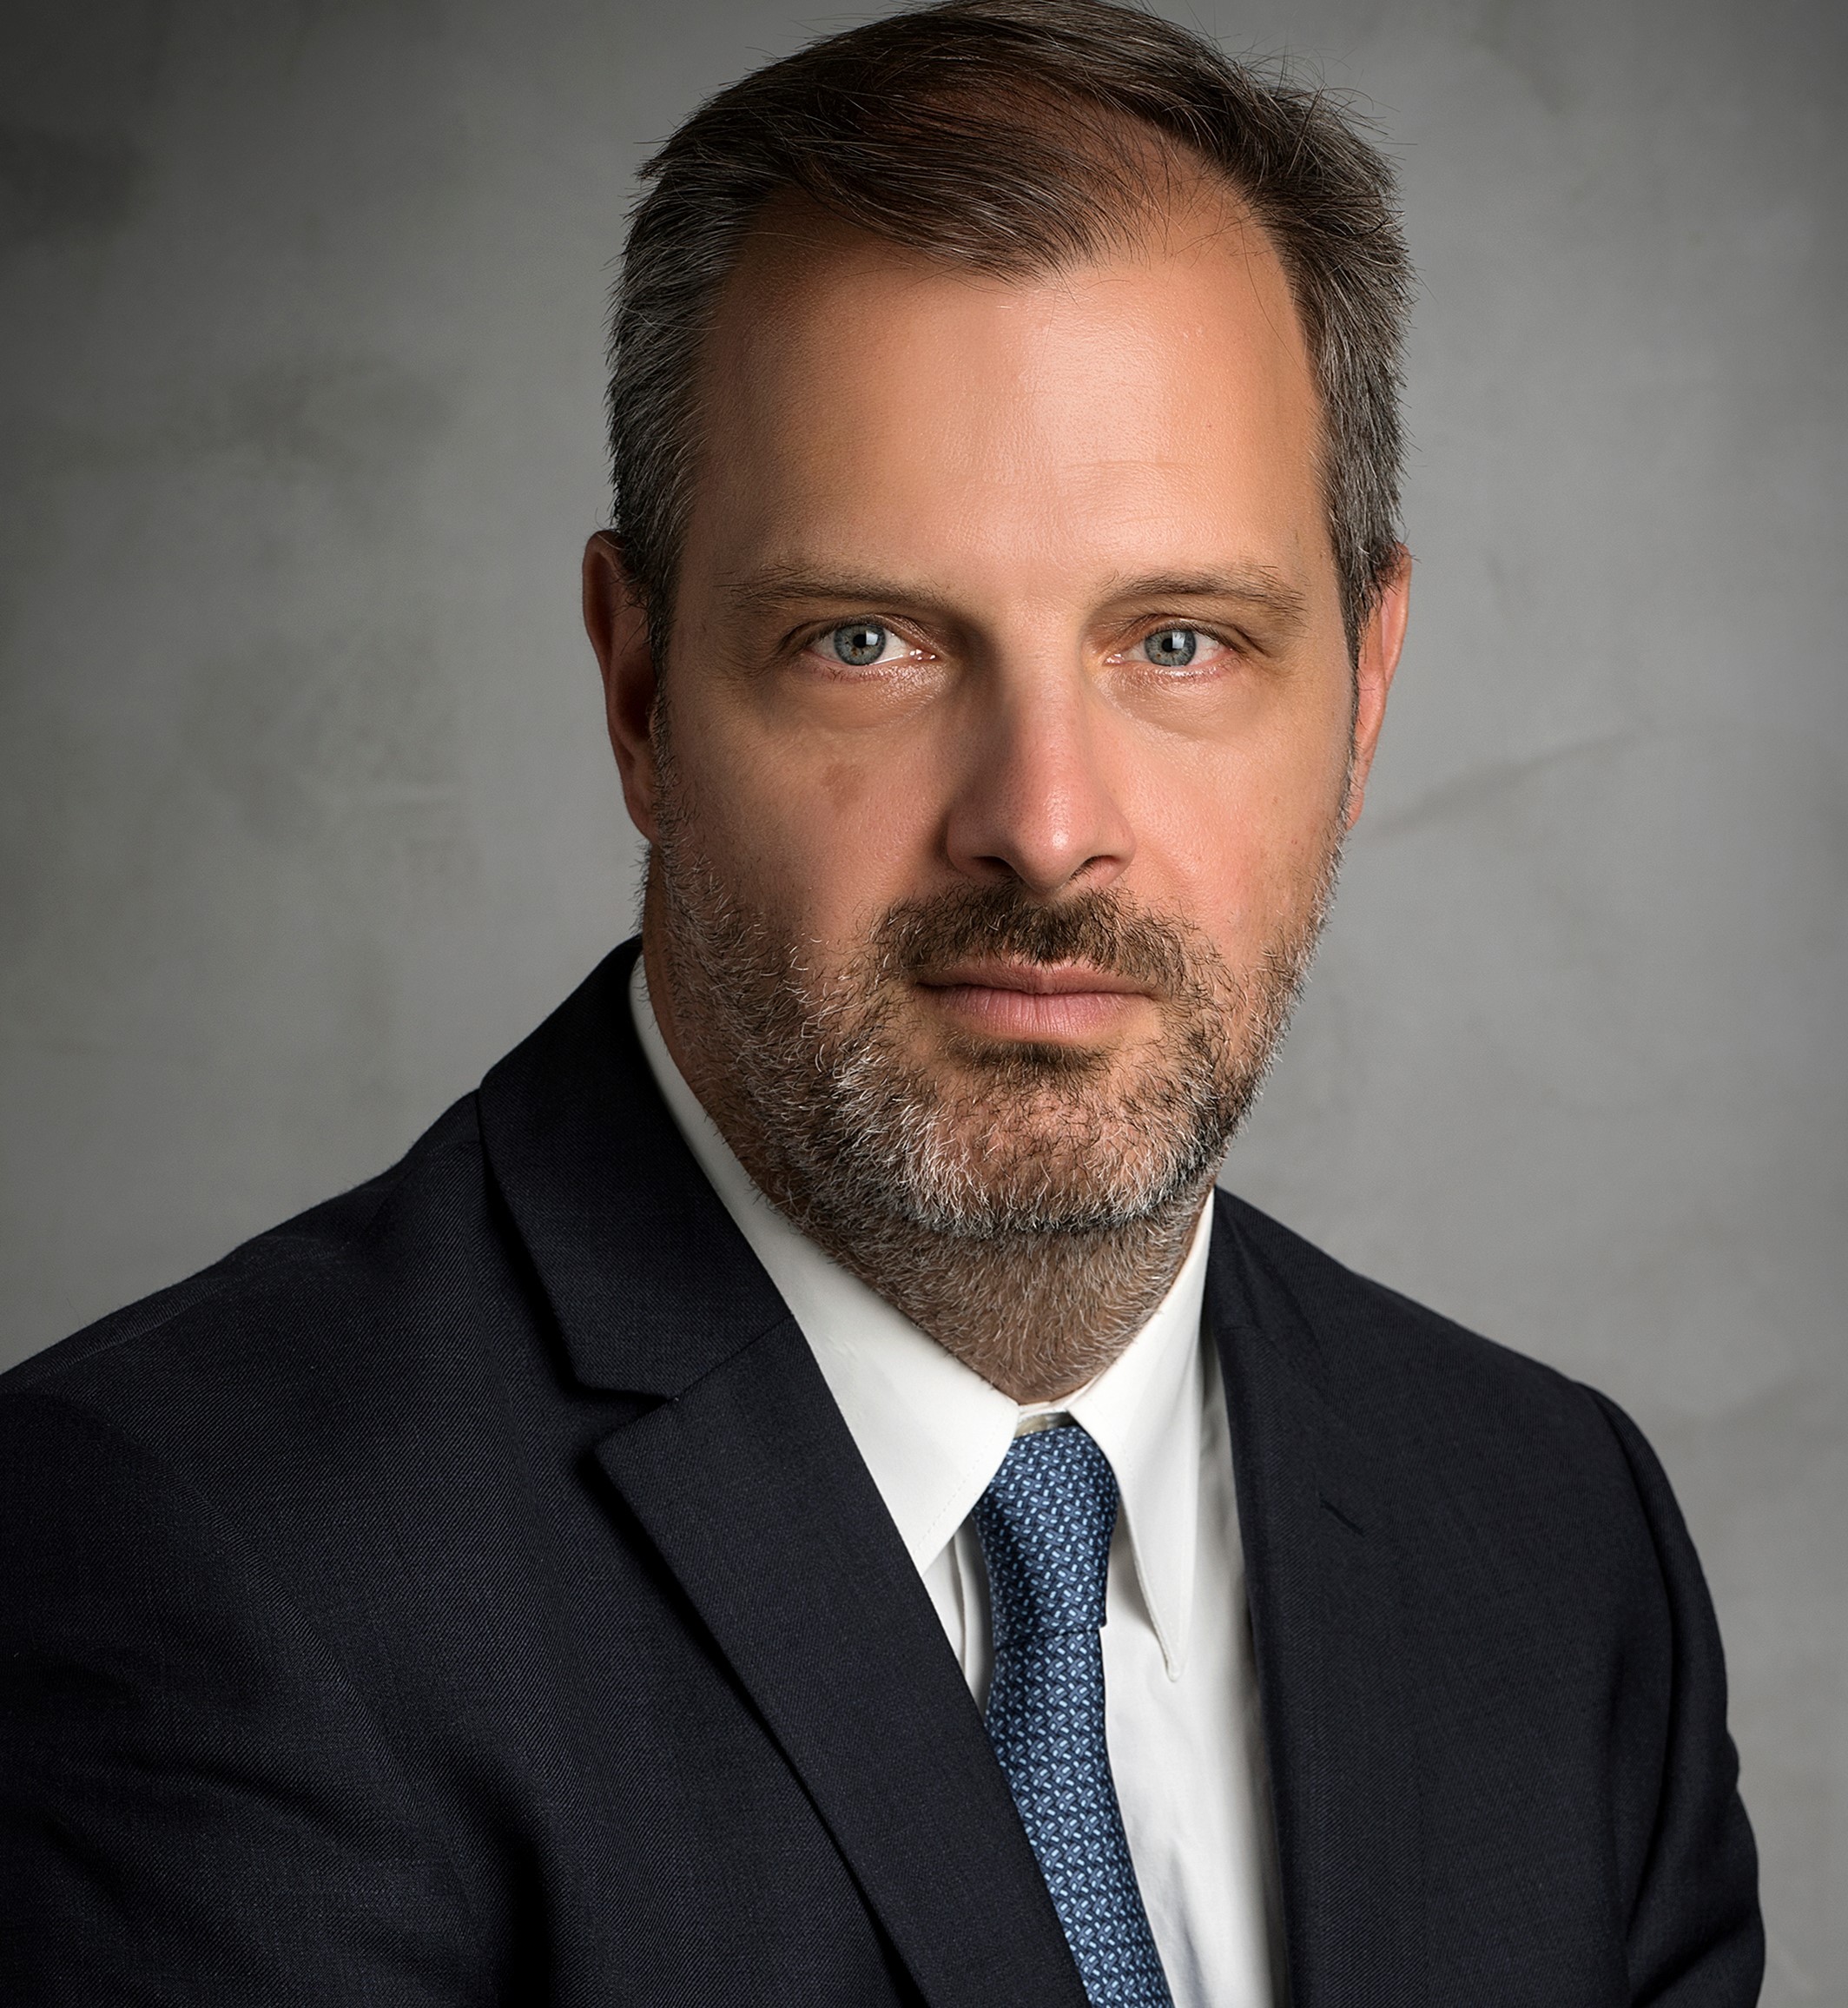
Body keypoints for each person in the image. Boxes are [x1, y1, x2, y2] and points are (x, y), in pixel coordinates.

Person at [0, 3, 1763, 2003]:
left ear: (1359, 700)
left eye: (1177, 641)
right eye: (865, 641)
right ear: (639, 691)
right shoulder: (191, 1561)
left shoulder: (1552, 1536)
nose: (1042, 826)